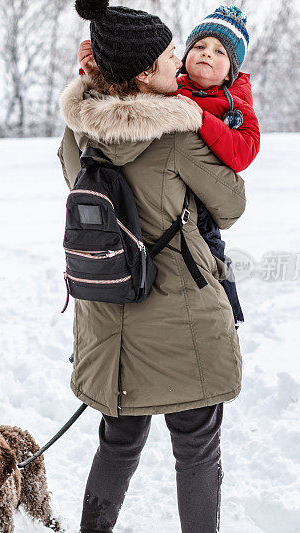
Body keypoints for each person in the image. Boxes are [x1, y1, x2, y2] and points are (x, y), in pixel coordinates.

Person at [58, 1, 247, 531]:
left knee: (117, 442)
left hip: (106, 316)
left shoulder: (78, 131)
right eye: (170, 54)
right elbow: (231, 206)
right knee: (196, 446)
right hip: (180, 320)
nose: (179, 63)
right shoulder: (178, 133)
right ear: (145, 71)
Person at [77, 5, 258, 327]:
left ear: (232, 71)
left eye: (219, 52)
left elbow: (242, 153)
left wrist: (200, 119)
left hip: (106, 275)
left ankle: (232, 311)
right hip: (176, 270)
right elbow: (232, 206)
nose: (204, 55)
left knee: (215, 250)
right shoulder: (173, 112)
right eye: (197, 47)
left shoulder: (80, 130)